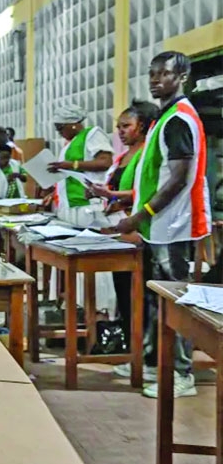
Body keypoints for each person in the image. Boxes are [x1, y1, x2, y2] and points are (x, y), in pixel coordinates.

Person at [115, 51, 212, 398]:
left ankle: (182, 375)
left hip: (174, 225)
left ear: (182, 77)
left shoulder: (179, 119)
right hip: (159, 226)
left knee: (178, 302)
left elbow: (178, 179)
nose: (156, 79)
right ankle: (155, 362)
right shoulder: (165, 116)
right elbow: (155, 175)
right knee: (157, 300)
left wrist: (140, 215)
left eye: (164, 73)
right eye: (152, 73)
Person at [88, 100, 159, 362]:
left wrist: (113, 196)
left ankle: (143, 350)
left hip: (137, 229)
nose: (120, 132)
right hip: (118, 227)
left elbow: (146, 193)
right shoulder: (123, 156)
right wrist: (103, 194)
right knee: (123, 290)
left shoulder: (146, 154)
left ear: (142, 126)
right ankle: (130, 344)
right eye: (118, 127)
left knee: (137, 293)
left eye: (126, 126)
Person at [45, 104, 114, 226]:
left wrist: (72, 164)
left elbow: (105, 162)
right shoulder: (69, 144)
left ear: (73, 123)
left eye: (60, 127)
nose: (59, 132)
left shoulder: (92, 134)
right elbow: (68, 174)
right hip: (69, 204)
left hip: (87, 202)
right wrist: (54, 192)